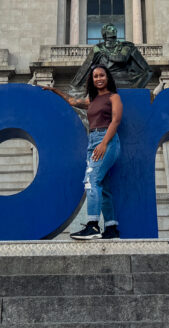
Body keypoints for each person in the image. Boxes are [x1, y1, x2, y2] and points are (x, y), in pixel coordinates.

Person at [46, 66, 123, 240]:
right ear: (92, 80)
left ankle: (93, 226)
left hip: (106, 139)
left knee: (91, 180)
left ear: (107, 78)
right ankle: (111, 228)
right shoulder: (92, 100)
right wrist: (55, 91)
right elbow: (73, 101)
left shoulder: (113, 97)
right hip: (93, 140)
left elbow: (116, 120)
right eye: (95, 76)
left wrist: (104, 144)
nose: (99, 78)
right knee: (103, 187)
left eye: (102, 75)